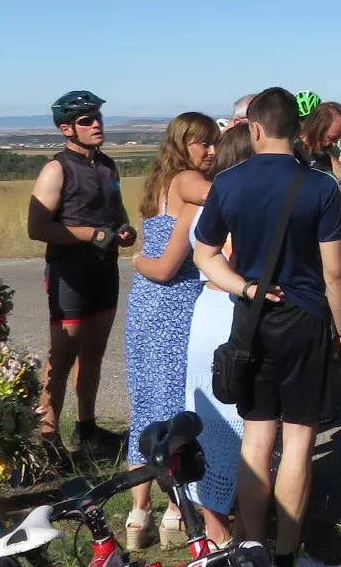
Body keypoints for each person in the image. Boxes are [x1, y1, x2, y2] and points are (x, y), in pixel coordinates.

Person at [190, 88, 341, 565]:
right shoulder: (320, 185)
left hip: (253, 319)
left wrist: (242, 287)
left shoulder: (228, 182)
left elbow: (206, 254)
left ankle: (248, 547)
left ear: (254, 128)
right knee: (299, 439)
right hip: (305, 320)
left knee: (257, 436)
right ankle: (287, 553)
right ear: (297, 129)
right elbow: (336, 273)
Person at [123, 112, 215, 549]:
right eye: (203, 143)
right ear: (182, 145)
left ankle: (137, 513)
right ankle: (176, 512)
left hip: (144, 308)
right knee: (174, 409)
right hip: (173, 309)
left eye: (214, 142)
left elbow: (149, 260)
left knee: (145, 405)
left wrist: (138, 262)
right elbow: (164, 267)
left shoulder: (158, 184)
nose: (211, 151)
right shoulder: (185, 182)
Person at [26, 89, 135, 453]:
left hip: (104, 272)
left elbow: (115, 212)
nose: (96, 125)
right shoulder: (55, 169)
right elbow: (37, 228)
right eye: (86, 120)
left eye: (98, 117)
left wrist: (124, 228)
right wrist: (92, 234)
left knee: (94, 354)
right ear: (66, 129)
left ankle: (86, 430)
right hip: (69, 274)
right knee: (62, 356)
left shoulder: (106, 164)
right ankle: (47, 436)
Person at [183, 121, 253, 545]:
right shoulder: (244, 200)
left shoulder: (211, 198)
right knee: (246, 421)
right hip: (236, 308)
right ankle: (238, 531)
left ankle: (215, 530)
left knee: (214, 421)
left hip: (206, 310)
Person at [301, 99, 341, 191]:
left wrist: (325, 153)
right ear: (316, 129)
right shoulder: (293, 148)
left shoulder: (331, 150)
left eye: (337, 138)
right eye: (330, 138)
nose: (334, 144)